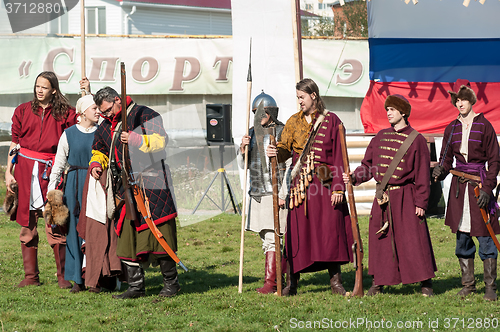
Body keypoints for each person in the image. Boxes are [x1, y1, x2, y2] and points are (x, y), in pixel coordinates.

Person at [90, 86, 179, 299]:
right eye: (103, 112)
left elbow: (161, 141)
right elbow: (100, 149)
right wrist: (96, 163)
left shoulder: (146, 114)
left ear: (118, 100)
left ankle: (171, 285)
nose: (106, 115)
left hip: (153, 183)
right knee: (127, 235)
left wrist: (135, 139)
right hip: (125, 187)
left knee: (160, 232)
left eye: (109, 110)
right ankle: (136, 287)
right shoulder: (105, 126)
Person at [266, 78, 353, 296]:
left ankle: (335, 282)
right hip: (300, 186)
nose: (299, 102)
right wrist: (275, 153)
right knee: (297, 232)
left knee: (329, 231)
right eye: (297, 98)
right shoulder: (293, 122)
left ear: (313, 95)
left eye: (301, 97)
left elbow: (339, 157)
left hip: (324, 184)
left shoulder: (332, 120)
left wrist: (338, 188)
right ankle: (291, 284)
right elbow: (285, 150)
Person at [343, 94, 437, 296]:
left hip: (406, 197)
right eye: (387, 110)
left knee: (413, 240)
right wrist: (354, 177)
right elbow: (368, 166)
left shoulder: (417, 140)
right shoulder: (380, 137)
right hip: (383, 198)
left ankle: (425, 281)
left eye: (392, 110)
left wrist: (421, 202)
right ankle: (379, 281)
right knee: (381, 241)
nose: (388, 113)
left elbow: (422, 175)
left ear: (403, 112)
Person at [5, 71, 78, 288]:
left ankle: (63, 277)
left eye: (44, 87)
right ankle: (31, 277)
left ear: (53, 90)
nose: (39, 90)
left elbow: (85, 121)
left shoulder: (66, 113)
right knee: (28, 225)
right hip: (25, 172)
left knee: (55, 223)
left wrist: (86, 91)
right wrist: (8, 173)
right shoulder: (23, 110)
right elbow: (14, 144)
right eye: (37, 86)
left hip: (52, 172)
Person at [433, 79, 500, 301]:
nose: (460, 103)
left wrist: (488, 189)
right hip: (459, 189)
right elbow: (445, 159)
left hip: (480, 186)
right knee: (462, 237)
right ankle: (468, 284)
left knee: (486, 236)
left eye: (463, 99)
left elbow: (495, 161)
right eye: (457, 100)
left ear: (471, 100)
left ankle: (490, 287)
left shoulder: (484, 125)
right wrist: (439, 172)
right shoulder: (451, 128)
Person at [47, 91, 100, 293]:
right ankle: (77, 278)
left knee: (96, 229)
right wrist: (52, 195)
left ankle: (94, 277)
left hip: (96, 184)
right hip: (75, 185)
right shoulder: (68, 133)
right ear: (83, 112)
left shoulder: (102, 131)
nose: (98, 111)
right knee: (74, 231)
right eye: (94, 108)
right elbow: (58, 166)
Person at [237, 91, 288, 294]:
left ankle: (273, 282)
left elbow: (292, 164)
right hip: (257, 192)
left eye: (263, 113)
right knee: (265, 237)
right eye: (256, 113)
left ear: (271, 112)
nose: (259, 117)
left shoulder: (283, 132)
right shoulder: (251, 132)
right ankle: (277, 279)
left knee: (274, 237)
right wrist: (243, 149)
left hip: (276, 191)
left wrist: (284, 192)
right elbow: (246, 165)